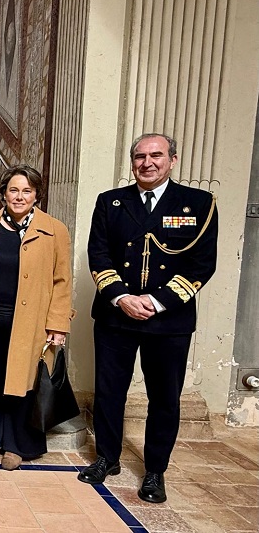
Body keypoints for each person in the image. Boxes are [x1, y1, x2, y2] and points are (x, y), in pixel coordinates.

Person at [79, 133, 218, 504]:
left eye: (156, 155)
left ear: (172, 159)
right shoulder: (110, 202)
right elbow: (99, 255)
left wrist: (156, 302)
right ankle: (107, 457)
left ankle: (155, 470)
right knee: (109, 392)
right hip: (116, 315)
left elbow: (202, 264)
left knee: (164, 397)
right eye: (140, 156)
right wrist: (122, 298)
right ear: (132, 162)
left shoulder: (198, 204)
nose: (147, 163)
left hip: (169, 321)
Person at [0, 165, 74, 470]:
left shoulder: (54, 230)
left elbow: (62, 281)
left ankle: (16, 444)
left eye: (27, 191)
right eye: (13, 190)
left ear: (36, 195)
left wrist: (58, 324)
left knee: (24, 383)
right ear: (4, 194)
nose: (19, 197)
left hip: (31, 323)